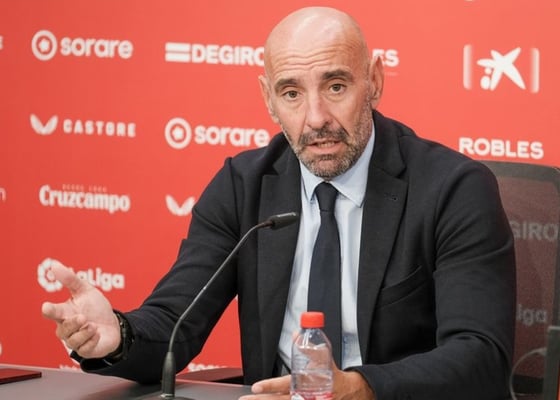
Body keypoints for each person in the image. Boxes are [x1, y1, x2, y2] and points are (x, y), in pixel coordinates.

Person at [42, 6, 516, 400]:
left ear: (374, 81)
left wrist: (360, 389)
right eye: (292, 93)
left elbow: (480, 356)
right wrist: (117, 336)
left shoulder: (453, 189)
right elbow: (174, 323)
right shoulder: (243, 186)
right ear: (268, 99)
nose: (316, 118)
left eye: (336, 86)